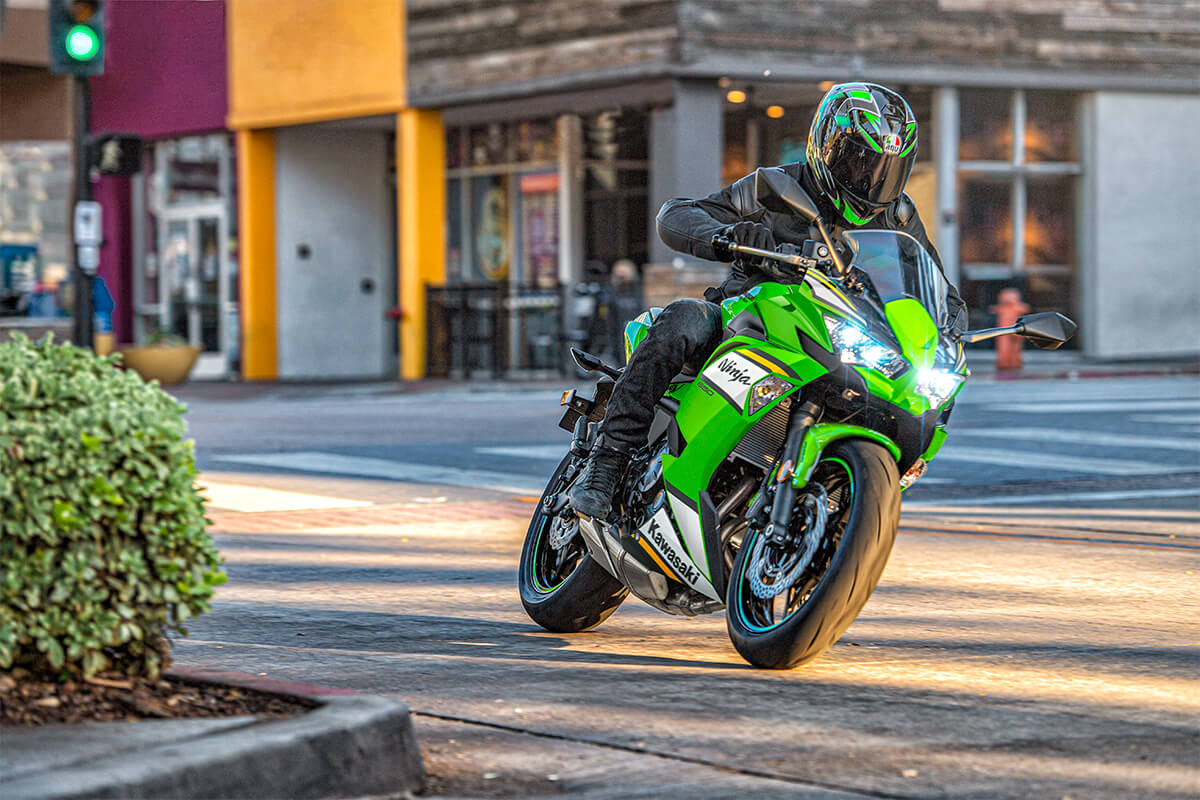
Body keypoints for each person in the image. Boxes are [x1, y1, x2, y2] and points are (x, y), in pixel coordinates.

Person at [568, 82, 966, 519]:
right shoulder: (775, 186)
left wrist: (951, 327)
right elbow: (679, 214)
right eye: (858, 159)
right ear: (827, 145)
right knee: (683, 319)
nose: (869, 178)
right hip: (751, 317)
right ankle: (608, 460)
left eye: (885, 169)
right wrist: (729, 236)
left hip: (833, 337)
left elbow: (935, 288)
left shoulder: (900, 218)